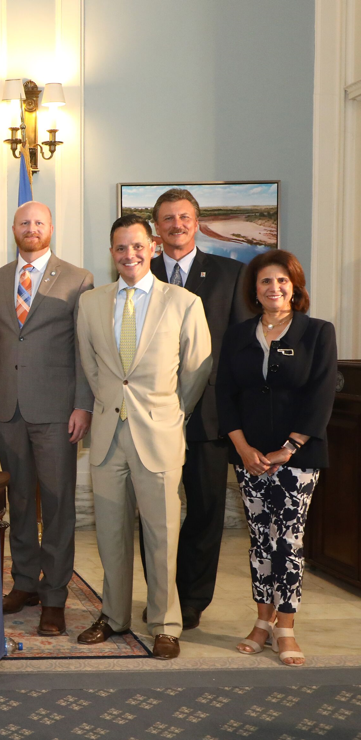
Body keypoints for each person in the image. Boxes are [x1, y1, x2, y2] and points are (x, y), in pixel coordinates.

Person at [76, 215, 211, 660]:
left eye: (136, 246)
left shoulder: (184, 302)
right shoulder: (91, 303)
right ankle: (114, 616)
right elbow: (91, 367)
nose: (129, 255)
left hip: (159, 435)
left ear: (152, 247)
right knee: (111, 534)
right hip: (108, 434)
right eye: (119, 248)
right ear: (111, 252)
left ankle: (166, 624)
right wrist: (109, 403)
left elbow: (196, 370)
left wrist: (170, 413)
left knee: (162, 535)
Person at [0, 201, 94, 636]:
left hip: (58, 411)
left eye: (39, 222)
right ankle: (25, 582)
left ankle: (56, 596)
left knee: (58, 503)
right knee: (19, 500)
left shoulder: (79, 279)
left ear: (51, 229)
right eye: (24, 222)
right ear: (13, 229)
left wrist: (84, 404)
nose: (31, 228)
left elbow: (85, 348)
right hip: (6, 409)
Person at [136, 188, 252, 630]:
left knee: (204, 513)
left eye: (183, 217)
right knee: (154, 514)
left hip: (209, 417)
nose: (176, 225)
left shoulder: (231, 275)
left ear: (197, 222)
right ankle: (160, 597)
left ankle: (193, 601)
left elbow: (240, 350)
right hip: (153, 416)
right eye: (167, 219)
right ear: (157, 227)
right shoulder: (142, 275)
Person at [216, 250, 336, 667]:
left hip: (297, 458)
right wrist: (243, 448)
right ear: (255, 289)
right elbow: (224, 396)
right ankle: (261, 621)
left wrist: (289, 447)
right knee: (260, 541)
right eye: (266, 281)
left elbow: (321, 395)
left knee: (287, 539)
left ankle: (285, 626)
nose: (274, 288)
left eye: (282, 281)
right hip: (249, 456)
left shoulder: (318, 332)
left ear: (295, 287)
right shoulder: (237, 336)